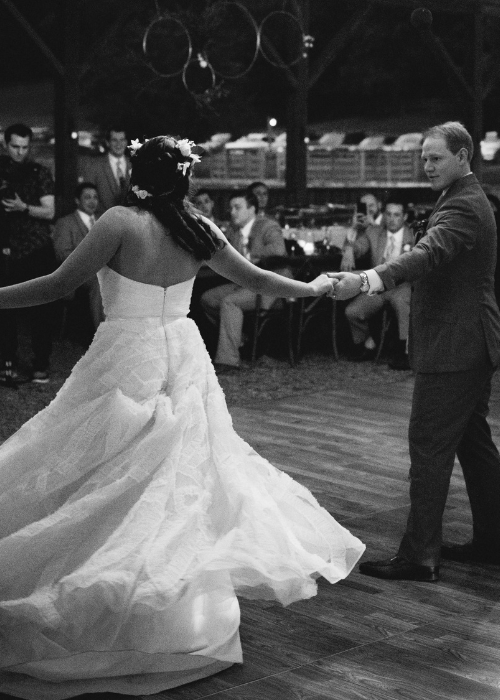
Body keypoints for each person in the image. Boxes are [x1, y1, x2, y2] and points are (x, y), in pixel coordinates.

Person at [0, 134, 364, 699]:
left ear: (136, 177)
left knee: (104, 465)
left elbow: (58, 285)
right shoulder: (198, 227)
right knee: (177, 479)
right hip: (183, 353)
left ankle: (109, 595)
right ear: (184, 178)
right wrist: (313, 285)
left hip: (129, 354)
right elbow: (257, 279)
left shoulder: (119, 222)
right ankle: (170, 613)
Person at [331, 122, 500, 582]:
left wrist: (366, 279)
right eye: (423, 157)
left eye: (435, 158)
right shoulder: (462, 197)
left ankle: (420, 557)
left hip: (456, 345)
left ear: (463, 157)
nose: (426, 165)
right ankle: (493, 540)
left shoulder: (464, 204)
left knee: (428, 448)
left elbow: (425, 255)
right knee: (474, 444)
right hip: (469, 341)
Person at [201, 189, 286, 370]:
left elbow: (279, 251)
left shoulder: (268, 226)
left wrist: (251, 254)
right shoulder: (234, 231)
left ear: (252, 209)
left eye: (237, 207)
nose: (232, 212)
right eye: (231, 208)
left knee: (230, 302)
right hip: (245, 283)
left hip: (271, 286)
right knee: (208, 299)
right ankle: (239, 336)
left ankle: (228, 361)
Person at [0, 122, 55, 386]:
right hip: (6, 249)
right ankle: (6, 363)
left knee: (40, 310)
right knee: (5, 308)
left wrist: (23, 207)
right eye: (15, 147)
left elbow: (49, 211)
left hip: (36, 248)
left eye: (24, 147)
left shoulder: (39, 172)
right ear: (5, 144)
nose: (20, 152)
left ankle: (40, 363)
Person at [343, 199, 414, 369]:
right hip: (379, 286)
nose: (391, 219)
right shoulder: (375, 233)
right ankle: (368, 342)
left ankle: (405, 352)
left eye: (396, 215)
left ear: (404, 217)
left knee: (402, 304)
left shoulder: (413, 235)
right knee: (352, 312)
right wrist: (349, 248)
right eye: (388, 214)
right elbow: (358, 247)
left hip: (403, 285)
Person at [52, 181, 103, 333]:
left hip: (106, 269)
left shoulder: (104, 221)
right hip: (78, 274)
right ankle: (102, 334)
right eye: (87, 197)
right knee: (99, 282)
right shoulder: (65, 223)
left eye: (95, 197)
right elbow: (62, 253)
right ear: (77, 200)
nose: (92, 201)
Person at [78, 127, 131, 214]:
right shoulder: (94, 165)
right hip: (102, 219)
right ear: (107, 143)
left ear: (126, 142)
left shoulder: (135, 164)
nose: (118, 144)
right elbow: (87, 197)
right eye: (114, 140)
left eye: (122, 140)